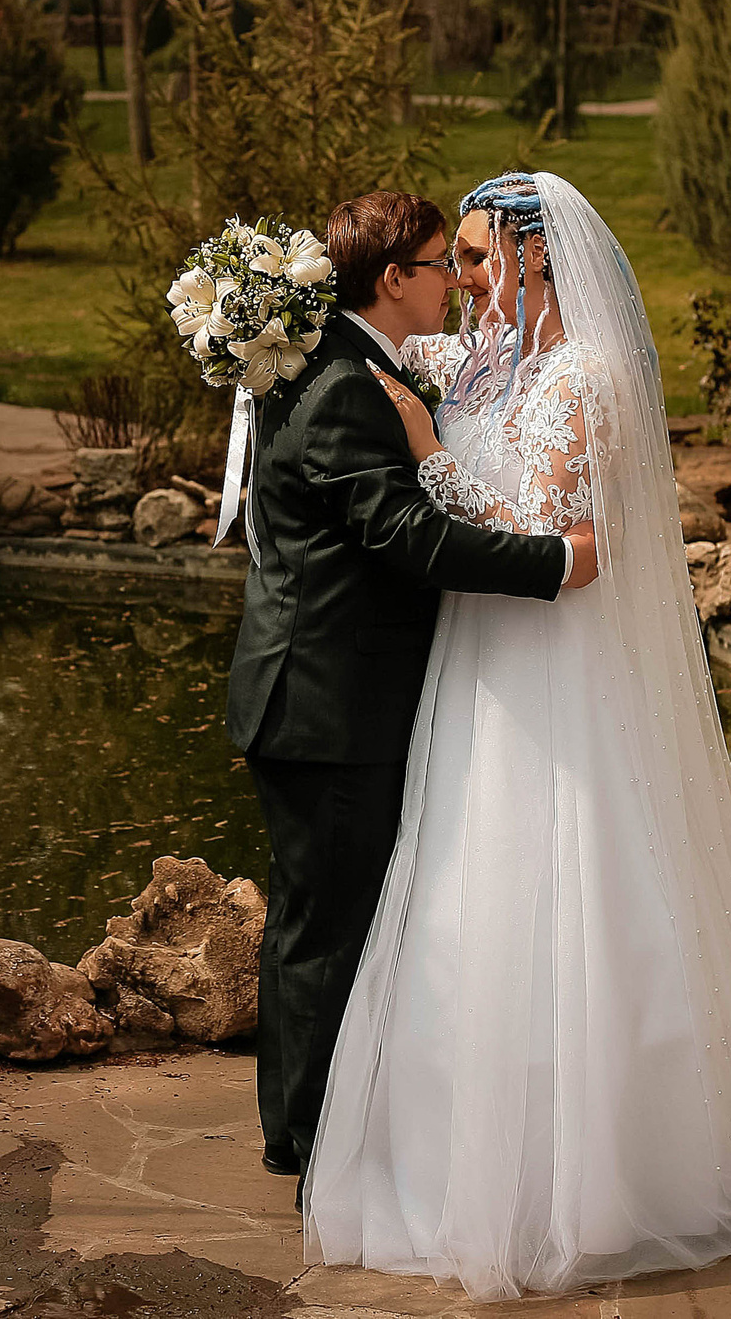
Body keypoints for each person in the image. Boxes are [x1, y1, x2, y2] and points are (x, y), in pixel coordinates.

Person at [302, 172, 731, 1300]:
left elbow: (556, 535)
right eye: (450, 261)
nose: (458, 281)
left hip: (555, 666)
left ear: (536, 257)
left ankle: (604, 1178)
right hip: (475, 664)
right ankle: (454, 1161)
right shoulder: (481, 357)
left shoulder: (585, 379)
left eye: (472, 257)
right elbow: (361, 344)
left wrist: (428, 457)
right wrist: (267, 315)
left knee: (575, 881)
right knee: (468, 889)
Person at [225, 189, 599, 1187]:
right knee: (323, 933)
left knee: (318, 923)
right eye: (442, 264)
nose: (458, 281)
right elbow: (406, 537)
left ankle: (305, 1126)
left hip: (318, 697)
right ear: (393, 279)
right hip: (326, 706)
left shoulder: (333, 359)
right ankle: (306, 1145)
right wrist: (557, 563)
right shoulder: (348, 384)